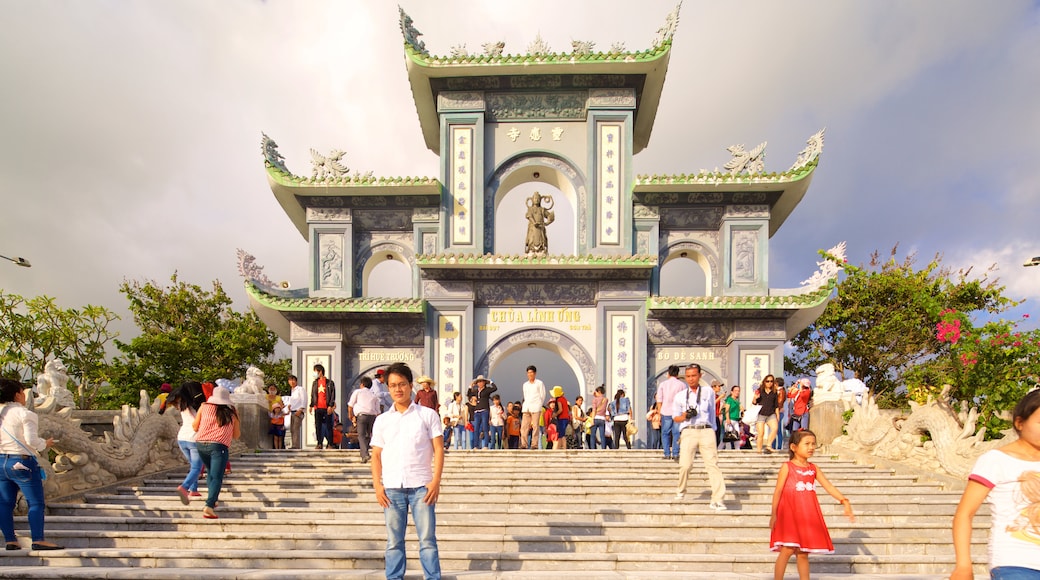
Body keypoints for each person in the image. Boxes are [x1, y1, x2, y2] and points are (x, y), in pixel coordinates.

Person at [952, 389, 1040, 579]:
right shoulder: (996, 460)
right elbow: (964, 514)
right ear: (1020, 422)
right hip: (1016, 564)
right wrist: (963, 566)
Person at [370, 362, 444, 580]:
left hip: (422, 486)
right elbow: (375, 455)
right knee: (394, 542)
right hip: (392, 488)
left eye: (402, 384)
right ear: (388, 388)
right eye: (392, 385)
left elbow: (438, 449)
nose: (397, 389)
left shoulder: (427, 415)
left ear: (411, 385)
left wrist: (435, 481)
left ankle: (432, 577)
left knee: (427, 540)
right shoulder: (382, 420)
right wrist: (377, 485)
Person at [770, 429, 854, 580]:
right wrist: (774, 514)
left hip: (807, 515)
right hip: (789, 515)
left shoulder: (813, 469)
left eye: (813, 444)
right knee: (787, 550)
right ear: (794, 447)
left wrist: (844, 500)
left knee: (803, 553)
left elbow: (828, 486)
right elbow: (778, 491)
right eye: (807, 444)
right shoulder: (787, 467)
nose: (811, 447)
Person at [0, 378, 63, 550]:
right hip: (21, 462)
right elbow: (31, 440)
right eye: (23, 392)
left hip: (1, 462)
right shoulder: (25, 414)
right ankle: (38, 539)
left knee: (5, 503)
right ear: (17, 394)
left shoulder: (1, 413)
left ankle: (10, 540)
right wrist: (45, 443)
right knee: (35, 503)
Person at [673, 364, 728, 510]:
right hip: (688, 430)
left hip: (706, 430)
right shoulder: (679, 396)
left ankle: (718, 498)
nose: (691, 379)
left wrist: (712, 429)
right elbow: (675, 417)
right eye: (688, 376)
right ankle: (681, 490)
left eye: (694, 375)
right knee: (685, 465)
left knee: (712, 464)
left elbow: (711, 411)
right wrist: (684, 416)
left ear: (699, 375)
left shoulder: (708, 392)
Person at [192, 385, 240, 519]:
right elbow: (236, 435)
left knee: (210, 474)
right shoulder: (231, 413)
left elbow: (195, 426)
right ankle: (209, 505)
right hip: (219, 447)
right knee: (217, 476)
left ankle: (213, 499)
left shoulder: (204, 406)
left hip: (201, 444)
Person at [168, 382, 203, 503]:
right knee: (197, 468)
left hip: (182, 438)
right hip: (194, 439)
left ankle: (194, 489)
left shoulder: (182, 405)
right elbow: (196, 424)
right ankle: (184, 487)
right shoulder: (197, 406)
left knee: (194, 466)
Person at [655, 365, 686, 461]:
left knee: (665, 433)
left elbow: (659, 399)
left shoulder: (663, 384)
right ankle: (676, 453)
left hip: (666, 412)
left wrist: (659, 413)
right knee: (676, 433)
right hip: (677, 412)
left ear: (668, 373)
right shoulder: (682, 385)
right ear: (677, 374)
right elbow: (684, 399)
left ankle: (667, 453)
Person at [348, 376, 381, 463]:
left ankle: (365, 454)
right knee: (368, 435)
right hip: (372, 417)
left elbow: (350, 404)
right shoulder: (374, 395)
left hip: (361, 416)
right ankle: (364, 455)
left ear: (362, 384)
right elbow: (378, 411)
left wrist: (350, 415)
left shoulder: (358, 392)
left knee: (361, 435)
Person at [309, 364, 336, 450]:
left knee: (329, 426)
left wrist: (330, 405)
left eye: (316, 371)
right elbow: (313, 394)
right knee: (318, 426)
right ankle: (319, 443)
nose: (315, 373)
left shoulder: (329, 382)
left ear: (320, 372)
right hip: (318, 407)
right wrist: (311, 405)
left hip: (326, 407)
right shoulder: (315, 383)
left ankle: (330, 444)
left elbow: (332, 395)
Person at [753, 374, 782, 454]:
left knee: (775, 428)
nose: (769, 383)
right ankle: (759, 450)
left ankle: (769, 446)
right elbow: (754, 403)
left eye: (771, 381)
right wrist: (755, 397)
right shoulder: (760, 390)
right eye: (767, 381)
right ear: (764, 382)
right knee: (761, 433)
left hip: (771, 413)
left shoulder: (774, 392)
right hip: (761, 414)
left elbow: (776, 405)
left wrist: (777, 415)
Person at [467, 375, 498, 449]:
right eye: (478, 382)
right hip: (477, 411)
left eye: (481, 381)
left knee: (485, 428)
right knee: (476, 428)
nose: (480, 383)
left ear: (484, 382)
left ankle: (485, 445)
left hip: (484, 410)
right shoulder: (476, 391)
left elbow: (495, 388)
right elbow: (469, 394)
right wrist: (470, 386)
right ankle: (476, 446)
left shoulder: (487, 390)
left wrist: (491, 382)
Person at [520, 366, 546, 450]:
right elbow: (525, 395)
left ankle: (534, 444)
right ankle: (524, 444)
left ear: (535, 373)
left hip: (536, 406)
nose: (530, 374)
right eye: (528, 373)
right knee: (524, 426)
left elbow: (542, 395)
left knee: (535, 426)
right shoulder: (525, 384)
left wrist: (539, 404)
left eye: (531, 372)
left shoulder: (539, 383)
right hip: (527, 406)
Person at [287, 375, 306, 450]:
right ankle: (294, 444)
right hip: (292, 412)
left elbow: (304, 399)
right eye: (290, 380)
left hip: (298, 411)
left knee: (295, 428)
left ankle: (296, 446)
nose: (292, 382)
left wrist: (301, 409)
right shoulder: (292, 391)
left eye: (293, 380)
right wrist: (289, 406)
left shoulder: (300, 389)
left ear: (296, 381)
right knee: (292, 429)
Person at [721, 385, 743, 451]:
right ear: (732, 392)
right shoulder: (729, 399)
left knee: (736, 434)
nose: (737, 392)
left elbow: (740, 410)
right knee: (729, 434)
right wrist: (727, 418)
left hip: (735, 420)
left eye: (738, 391)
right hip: (729, 419)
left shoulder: (737, 401)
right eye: (735, 391)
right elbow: (726, 409)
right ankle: (728, 449)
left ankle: (737, 448)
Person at [590, 385, 609, 449]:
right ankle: (603, 448)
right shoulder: (606, 399)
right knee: (602, 435)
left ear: (599, 392)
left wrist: (592, 419)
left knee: (593, 435)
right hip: (602, 419)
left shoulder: (594, 400)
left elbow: (594, 410)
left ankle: (592, 448)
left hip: (595, 418)